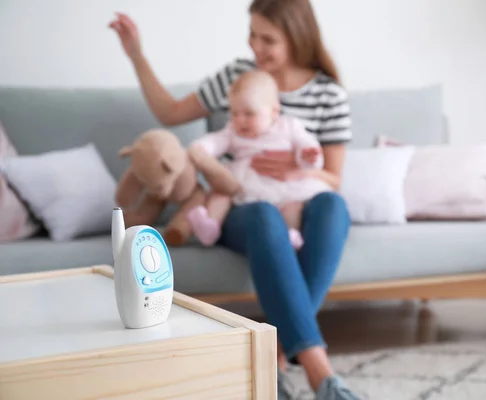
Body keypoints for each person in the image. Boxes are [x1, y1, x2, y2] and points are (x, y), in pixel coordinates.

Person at [109, 1, 360, 398]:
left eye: (268, 39)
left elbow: (333, 178)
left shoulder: (328, 94)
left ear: (297, 36)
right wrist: (136, 54)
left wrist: (297, 172)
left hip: (300, 203)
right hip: (245, 209)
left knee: (333, 206)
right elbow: (171, 112)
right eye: (252, 35)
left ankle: (275, 357)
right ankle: (320, 373)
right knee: (262, 215)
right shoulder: (239, 77)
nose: (256, 47)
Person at [186, 69, 332, 250]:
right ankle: (210, 227)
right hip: (245, 181)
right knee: (220, 192)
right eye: (234, 113)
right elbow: (217, 141)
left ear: (274, 110)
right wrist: (201, 148)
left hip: (282, 184)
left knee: (293, 206)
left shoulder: (288, 126)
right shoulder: (232, 131)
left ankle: (292, 234)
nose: (240, 120)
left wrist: (308, 155)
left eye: (249, 114)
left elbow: (305, 144)